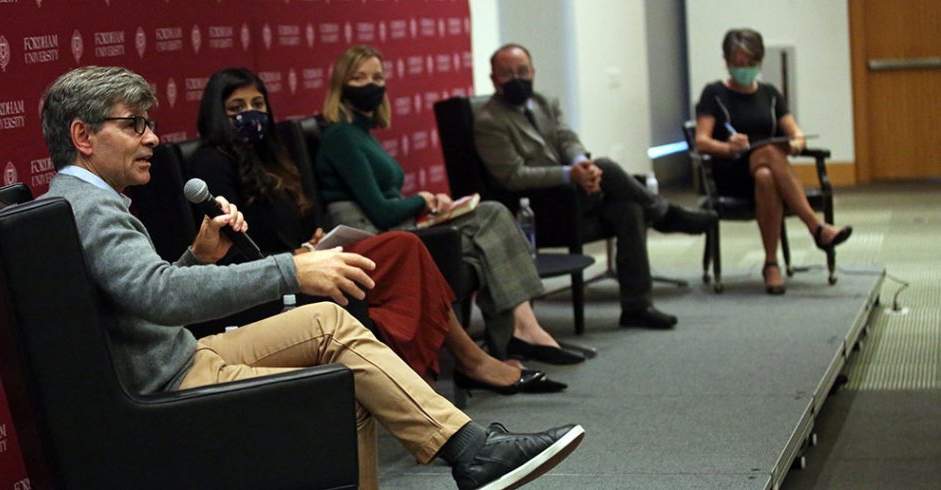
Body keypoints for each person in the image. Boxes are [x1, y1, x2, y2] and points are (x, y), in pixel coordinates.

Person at [38, 65, 583, 490]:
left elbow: (138, 298)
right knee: (340, 393)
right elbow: (160, 297)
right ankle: (473, 452)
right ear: (83, 135)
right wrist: (289, 268)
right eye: (134, 125)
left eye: (149, 124)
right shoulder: (91, 208)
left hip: (178, 355)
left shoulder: (80, 201)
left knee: (326, 320)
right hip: (171, 383)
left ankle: (472, 451)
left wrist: (198, 258)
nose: (152, 138)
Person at [189, 66, 566, 394]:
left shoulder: (273, 154)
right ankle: (467, 364)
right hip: (277, 276)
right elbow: (232, 249)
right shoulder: (212, 163)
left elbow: (303, 220)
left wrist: (314, 239)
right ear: (217, 114)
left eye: (258, 105)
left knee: (407, 249)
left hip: (312, 257)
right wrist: (294, 258)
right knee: (405, 247)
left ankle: (460, 366)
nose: (251, 115)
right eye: (237, 108)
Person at [317, 44, 584, 365]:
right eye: (359, 78)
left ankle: (517, 336)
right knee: (491, 216)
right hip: (373, 239)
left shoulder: (362, 133)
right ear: (341, 85)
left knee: (486, 229)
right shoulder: (341, 137)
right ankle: (520, 334)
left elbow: (385, 202)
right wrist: (424, 199)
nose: (371, 85)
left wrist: (428, 205)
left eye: (377, 76)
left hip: (394, 227)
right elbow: (380, 211)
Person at [474, 43, 718, 329]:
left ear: (533, 72)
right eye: (508, 74)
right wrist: (570, 174)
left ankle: (637, 308)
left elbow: (567, 139)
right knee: (607, 166)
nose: (518, 78)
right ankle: (665, 213)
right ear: (494, 79)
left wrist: (581, 165)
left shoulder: (545, 102)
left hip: (575, 194)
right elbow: (512, 176)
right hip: (538, 208)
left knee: (627, 207)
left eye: (523, 71)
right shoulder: (489, 120)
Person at [693, 29, 852, 294]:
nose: (743, 69)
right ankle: (816, 227)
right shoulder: (714, 93)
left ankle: (771, 265)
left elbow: (796, 132)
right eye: (738, 64)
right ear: (727, 61)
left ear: (759, 62)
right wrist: (728, 146)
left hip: (766, 173)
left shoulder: (770, 94)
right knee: (767, 152)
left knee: (766, 173)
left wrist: (796, 144)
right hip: (730, 170)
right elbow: (702, 141)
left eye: (750, 64)